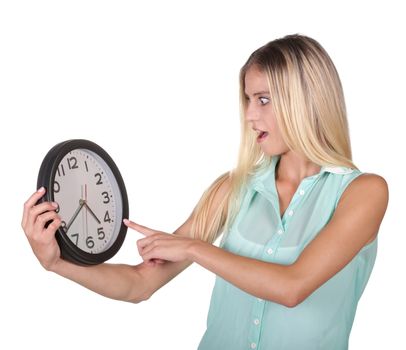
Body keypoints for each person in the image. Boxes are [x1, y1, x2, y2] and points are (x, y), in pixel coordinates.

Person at [22, 34, 389, 349]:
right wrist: (57, 263)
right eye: (247, 100)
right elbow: (140, 284)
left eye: (263, 99)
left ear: (305, 100)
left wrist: (195, 249)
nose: (248, 115)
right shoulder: (233, 189)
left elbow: (292, 287)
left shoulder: (363, 193)